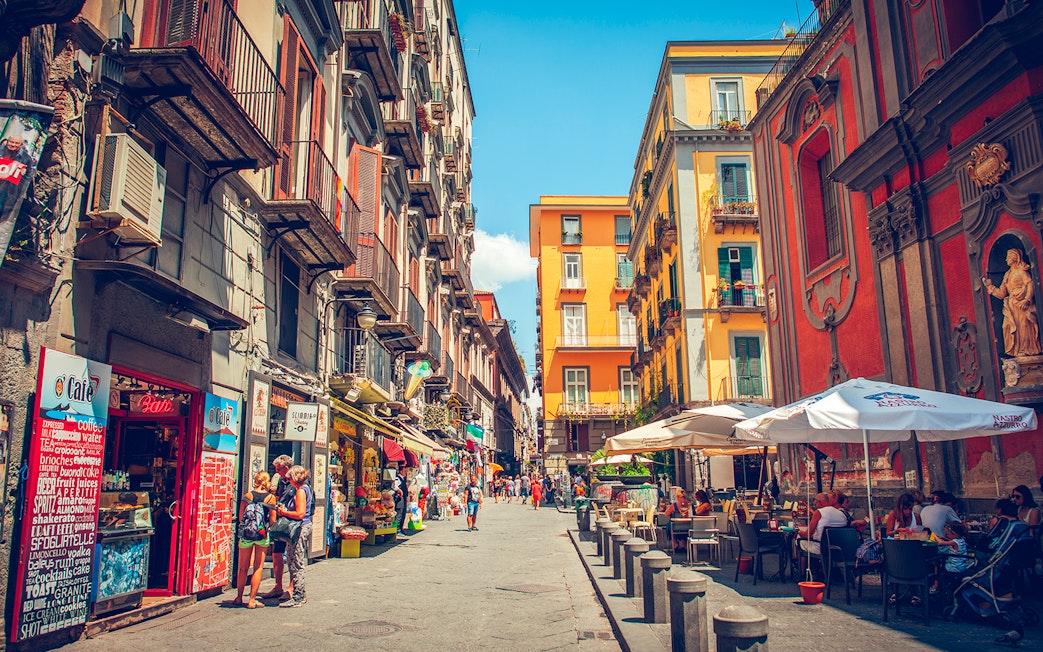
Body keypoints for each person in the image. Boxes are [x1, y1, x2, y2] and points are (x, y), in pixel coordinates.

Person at [983, 248, 1043, 357]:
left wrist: (1027, 299)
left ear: (1015, 258)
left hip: (1022, 306)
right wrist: (990, 287)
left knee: (1024, 327)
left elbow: (1031, 284)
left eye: (1008, 257)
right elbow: (1002, 294)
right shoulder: (1007, 275)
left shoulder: (1021, 272)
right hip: (1011, 307)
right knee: (1008, 327)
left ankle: (1027, 350)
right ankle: (1016, 350)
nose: (1006, 260)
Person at [234, 471, 277, 609]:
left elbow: (241, 517)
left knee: (243, 567)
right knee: (258, 566)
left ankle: (239, 597)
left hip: (246, 534)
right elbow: (273, 519)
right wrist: (266, 528)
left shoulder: (247, 496)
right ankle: (252, 600)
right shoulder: (270, 498)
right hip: (261, 534)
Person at [274, 465, 309, 607]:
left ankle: (299, 596)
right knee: (293, 560)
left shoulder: (300, 491)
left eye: (289, 478)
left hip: (299, 527)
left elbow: (300, 514)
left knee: (296, 562)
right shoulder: (305, 489)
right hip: (303, 526)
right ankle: (299, 594)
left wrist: (283, 512)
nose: (287, 481)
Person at [262, 454, 295, 600]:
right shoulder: (281, 481)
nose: (276, 472)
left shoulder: (297, 481)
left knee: (293, 556)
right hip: (281, 522)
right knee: (277, 553)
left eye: (278, 469)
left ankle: (292, 587)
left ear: (286, 468)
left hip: (293, 522)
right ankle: (278, 585)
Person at [797, 492, 849, 556]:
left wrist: (800, 533)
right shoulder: (842, 514)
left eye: (815, 501)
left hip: (821, 548)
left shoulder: (819, 512)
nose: (815, 504)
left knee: (801, 541)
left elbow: (807, 535)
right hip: (838, 548)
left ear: (819, 502)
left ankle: (803, 566)